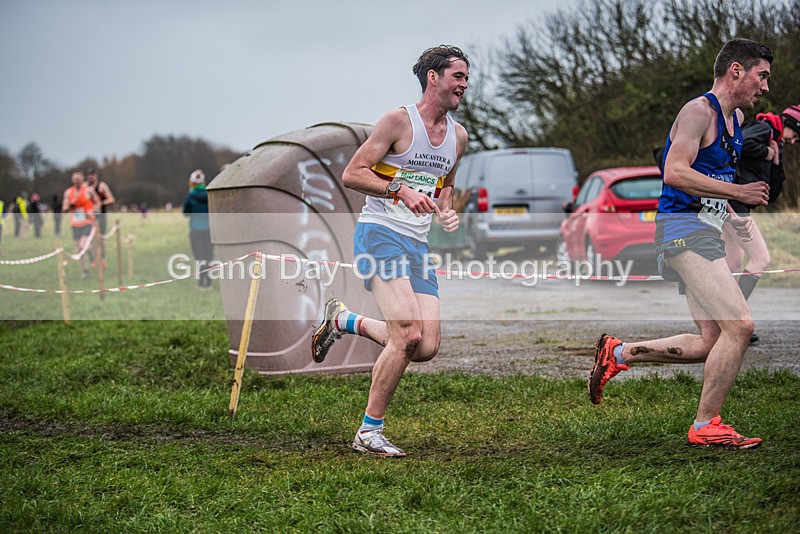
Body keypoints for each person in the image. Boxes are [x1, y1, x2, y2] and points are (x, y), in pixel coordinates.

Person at [587, 38, 773, 449]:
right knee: (740, 326)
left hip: (703, 227)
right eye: (761, 76)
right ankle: (706, 424)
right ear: (736, 71)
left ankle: (619, 354)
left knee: (712, 340)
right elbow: (674, 172)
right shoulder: (697, 112)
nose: (765, 87)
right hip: (682, 229)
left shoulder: (736, 119)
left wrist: (731, 215)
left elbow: (714, 181)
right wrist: (741, 194)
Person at [311, 45, 469, 457]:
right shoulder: (399, 120)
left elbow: (444, 184)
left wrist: (446, 211)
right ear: (433, 77)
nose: (464, 85)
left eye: (467, 78)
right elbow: (353, 174)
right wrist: (399, 190)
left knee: (425, 346)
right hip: (380, 232)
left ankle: (344, 320)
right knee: (408, 334)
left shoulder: (459, 136)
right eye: (457, 76)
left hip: (417, 242)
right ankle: (369, 431)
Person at [723, 105, 800, 343]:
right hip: (733, 201)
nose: (796, 140)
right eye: (797, 134)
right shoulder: (764, 128)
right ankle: (736, 318)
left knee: (732, 262)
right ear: (788, 123)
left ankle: (722, 320)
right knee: (761, 258)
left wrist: (775, 160)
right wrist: (767, 152)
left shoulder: (778, 141)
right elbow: (741, 144)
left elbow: (775, 191)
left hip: (736, 204)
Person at [62, 170, 100, 278]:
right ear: (72, 180)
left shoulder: (89, 190)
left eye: (79, 179)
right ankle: (85, 270)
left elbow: (98, 203)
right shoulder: (68, 193)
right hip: (75, 224)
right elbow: (64, 209)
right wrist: (70, 205)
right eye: (75, 179)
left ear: (82, 180)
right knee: (79, 249)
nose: (77, 181)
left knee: (84, 245)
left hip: (87, 222)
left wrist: (92, 211)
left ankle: (91, 253)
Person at [182, 169, 213, 289]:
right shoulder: (210, 195)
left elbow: (186, 213)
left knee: (199, 256)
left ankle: (201, 282)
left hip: (195, 230)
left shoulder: (190, 196)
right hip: (209, 230)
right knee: (208, 255)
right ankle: (209, 282)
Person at [86, 168, 116, 267]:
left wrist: (100, 203)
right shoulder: (85, 188)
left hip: (101, 216)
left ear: (96, 176)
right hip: (88, 217)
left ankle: (103, 259)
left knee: (101, 239)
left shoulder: (102, 187)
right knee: (89, 239)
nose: (91, 177)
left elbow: (111, 199)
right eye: (89, 176)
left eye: (93, 175)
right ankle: (92, 259)